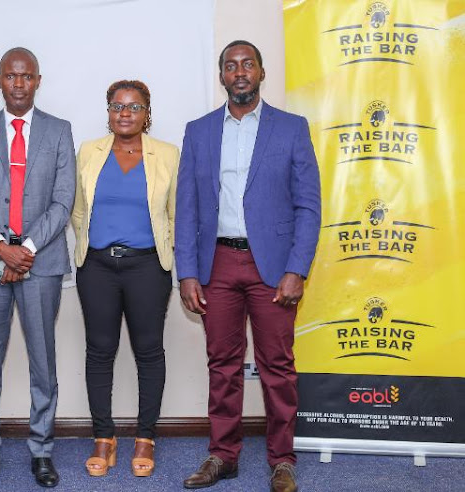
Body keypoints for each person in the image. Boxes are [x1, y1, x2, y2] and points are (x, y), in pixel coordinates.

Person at [175, 40, 320, 492]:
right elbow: (187, 206)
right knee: (223, 364)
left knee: (277, 365)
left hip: (273, 267)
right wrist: (187, 273)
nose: (240, 72)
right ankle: (223, 455)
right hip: (217, 263)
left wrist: (297, 267)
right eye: (231, 66)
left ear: (260, 72)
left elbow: (308, 206)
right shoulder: (199, 132)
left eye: (247, 65)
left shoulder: (291, 128)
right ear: (221, 76)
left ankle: (282, 460)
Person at [0, 47, 75, 489]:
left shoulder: (59, 131)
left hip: (41, 262)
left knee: (42, 361)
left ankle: (42, 451)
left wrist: (24, 248)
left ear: (38, 80)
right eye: (11, 76)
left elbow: (62, 201)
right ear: (0, 80)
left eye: (27, 77)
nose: (19, 84)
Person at [71, 80, 179, 478]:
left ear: (147, 112)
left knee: (149, 350)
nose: (125, 113)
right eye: (117, 106)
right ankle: (104, 437)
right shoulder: (89, 152)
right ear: (108, 112)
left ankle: (145, 437)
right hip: (97, 266)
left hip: (148, 267)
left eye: (134, 107)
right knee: (99, 351)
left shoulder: (167, 155)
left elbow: (174, 214)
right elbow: (78, 211)